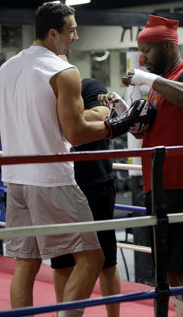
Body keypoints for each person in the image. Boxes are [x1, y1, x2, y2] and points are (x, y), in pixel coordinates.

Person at [0, 2, 154, 317]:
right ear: (53, 33)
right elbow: (76, 133)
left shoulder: (7, 68)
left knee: (26, 262)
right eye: (72, 30)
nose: (76, 37)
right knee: (91, 258)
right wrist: (117, 123)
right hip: (51, 179)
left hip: (15, 177)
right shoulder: (62, 71)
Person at [121, 15, 183, 317]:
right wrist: (124, 111)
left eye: (147, 50)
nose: (142, 57)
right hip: (157, 183)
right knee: (168, 266)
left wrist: (149, 80)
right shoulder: (161, 85)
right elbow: (150, 130)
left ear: (167, 45)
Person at [50, 78, 128, 317]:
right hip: (58, 184)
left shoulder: (90, 86)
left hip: (95, 182)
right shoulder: (44, 93)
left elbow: (103, 115)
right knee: (62, 261)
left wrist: (63, 118)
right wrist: (74, 119)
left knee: (106, 260)